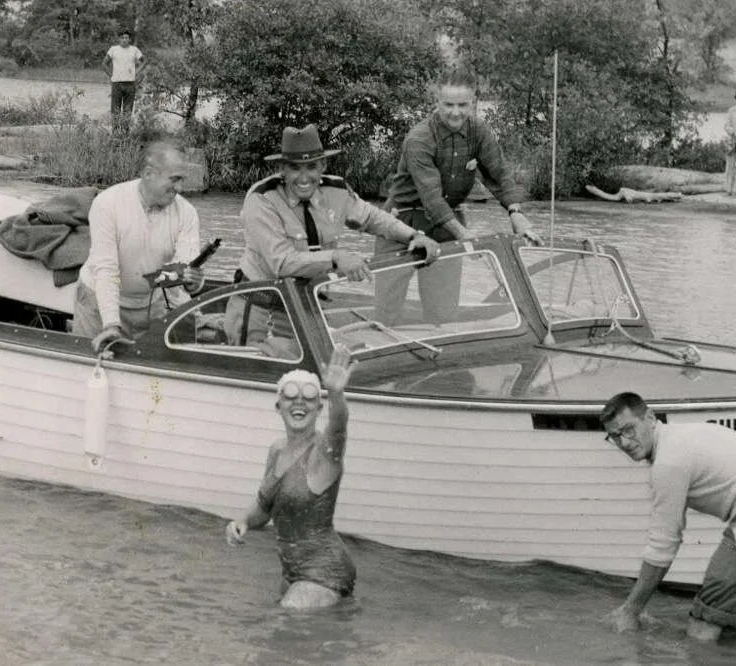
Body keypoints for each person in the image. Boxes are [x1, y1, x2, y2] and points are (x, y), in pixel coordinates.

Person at [225, 123, 440, 346]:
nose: (304, 177)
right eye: (295, 168)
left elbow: (373, 218)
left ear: (323, 166)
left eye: (311, 167)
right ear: (283, 170)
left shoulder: (335, 190)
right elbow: (282, 262)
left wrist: (414, 236)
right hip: (260, 309)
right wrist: (336, 258)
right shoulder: (261, 199)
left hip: (306, 307)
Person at [374, 65, 542, 326]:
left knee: (443, 316)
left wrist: (516, 213)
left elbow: (499, 175)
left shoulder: (480, 132)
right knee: (386, 315)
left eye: (463, 105)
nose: (455, 112)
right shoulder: (419, 138)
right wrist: (464, 235)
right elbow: (432, 199)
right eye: (448, 105)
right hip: (400, 225)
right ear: (437, 102)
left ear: (473, 102)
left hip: (446, 228)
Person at [600, 392, 736, 642]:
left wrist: (631, 610)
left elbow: (664, 544)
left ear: (650, 418)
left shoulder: (668, 462)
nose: (624, 443)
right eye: (615, 436)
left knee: (703, 624)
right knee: (733, 623)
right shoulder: (682, 437)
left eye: (628, 430)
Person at [226, 344, 358, 609]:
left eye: (309, 396)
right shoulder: (276, 450)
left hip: (325, 571)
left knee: (285, 621)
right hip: (292, 572)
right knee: (287, 641)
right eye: (290, 395)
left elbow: (339, 428)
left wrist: (335, 393)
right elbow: (265, 507)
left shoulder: (324, 453)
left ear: (319, 409)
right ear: (279, 406)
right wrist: (242, 521)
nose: (300, 402)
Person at [72, 140, 204, 352]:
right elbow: (106, 269)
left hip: (151, 304)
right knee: (88, 367)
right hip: (97, 302)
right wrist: (111, 324)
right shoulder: (108, 203)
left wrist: (193, 283)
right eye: (174, 179)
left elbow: (183, 269)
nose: (179, 188)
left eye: (182, 180)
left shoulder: (187, 213)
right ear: (148, 173)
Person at [102, 29, 145, 135]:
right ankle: (115, 133)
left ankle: (125, 134)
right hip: (117, 84)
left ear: (129, 39)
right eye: (122, 38)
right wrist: (111, 75)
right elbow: (104, 63)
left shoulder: (134, 50)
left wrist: (137, 72)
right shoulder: (113, 49)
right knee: (115, 110)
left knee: (128, 110)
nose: (124, 40)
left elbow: (144, 61)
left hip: (130, 84)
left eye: (126, 38)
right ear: (119, 39)